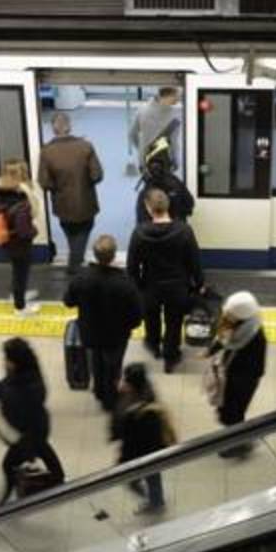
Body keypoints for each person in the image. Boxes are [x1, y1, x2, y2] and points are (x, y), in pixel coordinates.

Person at [0, 338, 65, 504]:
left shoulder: (29, 387)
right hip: (32, 429)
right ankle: (58, 476)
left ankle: (7, 499)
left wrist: (27, 450)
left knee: (8, 464)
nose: (5, 363)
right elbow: (3, 386)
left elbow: (10, 392)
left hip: (28, 433)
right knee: (43, 447)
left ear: (17, 362)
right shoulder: (21, 375)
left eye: (7, 359)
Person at [63, 234, 143, 411]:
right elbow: (137, 314)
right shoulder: (125, 282)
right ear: (114, 255)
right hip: (116, 336)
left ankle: (99, 391)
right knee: (113, 366)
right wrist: (128, 326)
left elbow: (68, 301)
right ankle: (110, 399)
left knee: (96, 362)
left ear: (94, 254)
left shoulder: (82, 278)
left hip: (90, 332)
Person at [128, 188, 204, 373]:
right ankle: (171, 356)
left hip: (150, 285)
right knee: (174, 321)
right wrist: (199, 283)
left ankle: (154, 346)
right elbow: (194, 260)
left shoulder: (139, 233)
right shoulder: (184, 231)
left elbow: (132, 265)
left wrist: (137, 285)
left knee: (151, 317)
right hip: (177, 285)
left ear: (148, 207)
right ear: (168, 206)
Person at [37, 112, 103, 275]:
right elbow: (97, 175)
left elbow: (44, 182)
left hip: (62, 205)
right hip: (86, 203)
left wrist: (58, 187)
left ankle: (75, 261)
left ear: (53, 129)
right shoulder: (86, 146)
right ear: (69, 126)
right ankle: (75, 265)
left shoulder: (47, 151)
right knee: (83, 232)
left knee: (71, 233)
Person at [208, 292, 268, 459]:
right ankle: (237, 437)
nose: (226, 317)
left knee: (233, 412)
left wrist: (226, 383)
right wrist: (212, 351)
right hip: (232, 376)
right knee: (228, 412)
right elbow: (223, 338)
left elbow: (251, 369)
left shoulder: (254, 337)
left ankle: (239, 443)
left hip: (242, 381)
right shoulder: (238, 324)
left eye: (230, 315)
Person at [110, 363, 174, 514]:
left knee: (131, 480)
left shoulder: (136, 413)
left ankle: (154, 502)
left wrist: (123, 459)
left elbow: (132, 441)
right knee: (153, 476)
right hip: (154, 451)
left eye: (125, 380)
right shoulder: (146, 392)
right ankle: (156, 500)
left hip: (141, 455)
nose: (122, 382)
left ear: (132, 385)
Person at [0, 160, 42, 317]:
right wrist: (34, 232)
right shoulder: (21, 199)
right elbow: (24, 230)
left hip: (5, 238)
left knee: (17, 270)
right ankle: (20, 307)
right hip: (19, 242)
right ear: (21, 174)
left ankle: (19, 294)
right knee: (21, 273)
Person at [134, 141, 195, 225]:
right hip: (177, 231)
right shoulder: (176, 183)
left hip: (152, 235)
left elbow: (140, 222)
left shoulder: (145, 194)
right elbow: (189, 206)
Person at [130, 87, 181, 169]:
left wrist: (142, 149)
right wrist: (176, 162)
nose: (178, 99)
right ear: (169, 95)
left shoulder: (141, 110)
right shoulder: (174, 116)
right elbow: (174, 143)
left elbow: (132, 135)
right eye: (176, 96)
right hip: (164, 162)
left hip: (144, 161)